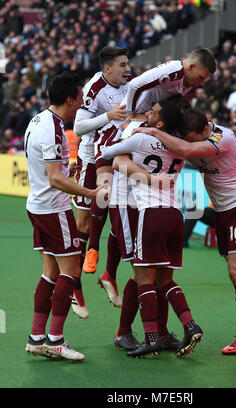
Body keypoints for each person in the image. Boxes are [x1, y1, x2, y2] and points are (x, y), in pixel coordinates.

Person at [134, 109, 236, 355]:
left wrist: (152, 131)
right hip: (223, 210)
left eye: (194, 138)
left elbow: (189, 151)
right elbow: (186, 151)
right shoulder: (196, 137)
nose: (191, 142)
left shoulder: (224, 137)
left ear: (205, 131)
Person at [101, 100, 203, 358]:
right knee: (164, 279)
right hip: (174, 214)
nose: (148, 112)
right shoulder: (181, 149)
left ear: (160, 122)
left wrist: (130, 130)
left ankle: (152, 337)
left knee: (143, 277)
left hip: (148, 211)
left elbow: (108, 155)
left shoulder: (139, 136)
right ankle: (189, 325)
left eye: (154, 112)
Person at [24, 72, 105, 361]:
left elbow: (51, 171)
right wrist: (90, 192)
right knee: (71, 272)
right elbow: (55, 180)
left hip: (37, 205)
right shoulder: (55, 128)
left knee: (51, 273)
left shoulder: (38, 120)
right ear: (70, 99)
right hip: (53, 209)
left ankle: (36, 338)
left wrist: (64, 172)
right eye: (81, 98)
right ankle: (55, 340)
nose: (83, 103)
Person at [71, 46, 130, 316]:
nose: (127, 69)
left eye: (127, 64)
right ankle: (74, 286)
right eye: (122, 65)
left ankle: (109, 275)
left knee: (118, 216)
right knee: (84, 224)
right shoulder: (93, 88)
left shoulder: (130, 85)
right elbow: (78, 128)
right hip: (90, 160)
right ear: (107, 68)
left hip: (117, 156)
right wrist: (108, 116)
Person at [125, 47, 216, 115]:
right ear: (191, 67)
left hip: (145, 115)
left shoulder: (188, 80)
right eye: (201, 77)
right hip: (129, 113)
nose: (201, 83)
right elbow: (134, 85)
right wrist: (131, 114)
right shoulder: (172, 71)